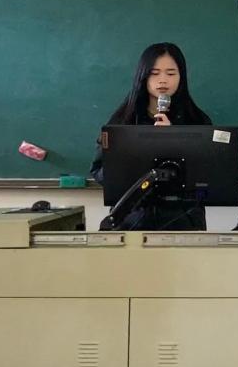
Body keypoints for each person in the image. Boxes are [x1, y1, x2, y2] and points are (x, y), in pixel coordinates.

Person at [91, 42, 212, 230]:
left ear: (181, 77)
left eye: (170, 73)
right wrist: (132, 158)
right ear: (143, 76)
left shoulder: (197, 120)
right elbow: (100, 172)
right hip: (133, 220)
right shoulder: (123, 121)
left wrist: (176, 140)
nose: (163, 80)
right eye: (155, 73)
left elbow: (210, 175)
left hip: (184, 221)